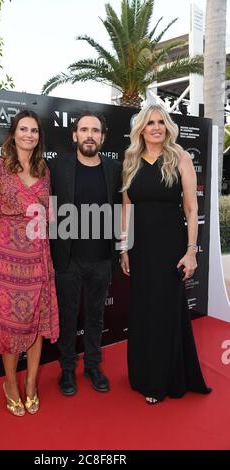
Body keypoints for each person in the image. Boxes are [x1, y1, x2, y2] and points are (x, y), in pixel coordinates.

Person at [120, 104, 211, 404]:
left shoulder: (180, 157)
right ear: (141, 129)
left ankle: (161, 380)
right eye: (150, 123)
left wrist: (191, 251)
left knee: (164, 311)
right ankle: (143, 374)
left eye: (161, 122)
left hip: (171, 247)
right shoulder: (131, 160)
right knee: (144, 310)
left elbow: (191, 208)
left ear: (167, 126)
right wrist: (124, 247)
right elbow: (127, 209)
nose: (156, 127)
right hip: (140, 248)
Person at [0, 110, 59, 416]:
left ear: (39, 136)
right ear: (13, 133)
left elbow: (47, 220)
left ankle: (32, 384)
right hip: (5, 260)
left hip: (38, 259)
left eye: (34, 130)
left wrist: (47, 260)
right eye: (23, 129)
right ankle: (10, 383)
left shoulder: (44, 169)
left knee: (36, 324)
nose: (29, 135)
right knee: (9, 328)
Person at [48, 111, 122, 396]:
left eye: (95, 130)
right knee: (67, 317)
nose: (89, 135)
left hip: (102, 258)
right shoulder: (57, 166)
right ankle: (67, 369)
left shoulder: (115, 168)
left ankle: (93, 365)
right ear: (74, 135)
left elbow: (122, 209)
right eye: (84, 129)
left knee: (95, 317)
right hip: (67, 258)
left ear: (102, 137)